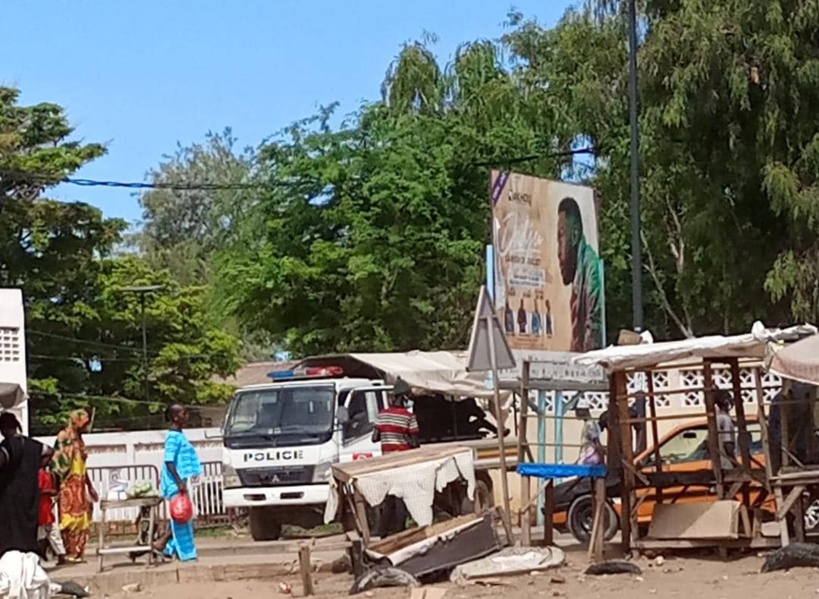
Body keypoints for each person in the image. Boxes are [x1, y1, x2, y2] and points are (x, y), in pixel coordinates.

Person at [153, 404, 203, 562]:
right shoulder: (173, 437)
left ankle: (166, 547)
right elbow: (169, 462)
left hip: (179, 481)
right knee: (181, 516)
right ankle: (186, 553)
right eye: (184, 413)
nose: (186, 416)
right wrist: (179, 481)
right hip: (174, 482)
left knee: (182, 515)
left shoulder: (179, 435)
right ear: (175, 417)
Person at [0, 412, 54, 558]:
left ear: (3, 428)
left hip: (10, 496)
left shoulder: (7, 446)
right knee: (28, 529)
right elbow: (50, 451)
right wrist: (35, 467)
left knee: (10, 532)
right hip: (30, 495)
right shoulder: (32, 444)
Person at [372, 379, 419, 536]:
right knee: (402, 498)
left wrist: (388, 433)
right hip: (403, 462)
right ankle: (400, 531)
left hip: (386, 462)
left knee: (389, 498)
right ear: (405, 398)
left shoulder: (382, 414)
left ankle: (383, 532)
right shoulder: (408, 416)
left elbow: (374, 438)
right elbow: (414, 442)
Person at [557, 197, 604, 352]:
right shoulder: (579, 272)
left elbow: (594, 328)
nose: (558, 252)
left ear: (575, 234)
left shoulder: (591, 269)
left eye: (561, 237)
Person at [52, 408, 98, 563]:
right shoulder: (63, 436)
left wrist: (90, 486)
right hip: (67, 485)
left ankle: (78, 552)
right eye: (83, 423)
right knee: (69, 519)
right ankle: (67, 552)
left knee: (82, 519)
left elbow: (83, 466)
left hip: (80, 485)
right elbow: (57, 463)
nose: (85, 427)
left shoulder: (79, 439)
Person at [38, 466, 66, 565]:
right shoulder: (39, 474)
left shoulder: (48, 474)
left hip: (47, 507)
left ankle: (61, 555)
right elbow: (38, 490)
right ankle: (41, 556)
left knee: (53, 532)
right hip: (41, 508)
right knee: (43, 534)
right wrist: (49, 491)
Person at [575, 396, 604, 466]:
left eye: (578, 411)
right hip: (587, 456)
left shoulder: (590, 425)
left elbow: (596, 442)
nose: (576, 413)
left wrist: (602, 457)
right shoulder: (590, 423)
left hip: (589, 457)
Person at [714, 391, 736, 470]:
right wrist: (735, 464)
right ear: (726, 402)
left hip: (719, 464)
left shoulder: (716, 419)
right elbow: (728, 444)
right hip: (728, 465)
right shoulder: (725, 419)